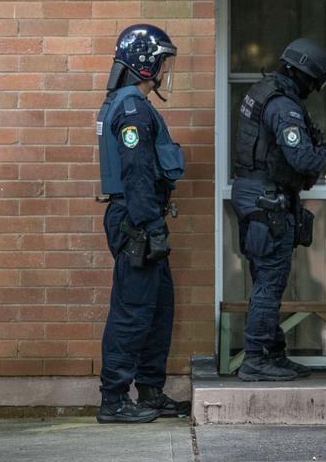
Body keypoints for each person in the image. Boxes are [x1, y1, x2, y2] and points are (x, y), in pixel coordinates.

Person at [231, 38, 326, 382]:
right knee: (270, 281)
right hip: (267, 200)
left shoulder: (263, 91)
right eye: (313, 82)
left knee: (265, 280)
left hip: (258, 196)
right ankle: (256, 359)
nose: (312, 89)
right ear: (304, 74)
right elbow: (302, 158)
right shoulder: (284, 106)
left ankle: (273, 353)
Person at [95, 24, 190, 423]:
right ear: (146, 64)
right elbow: (135, 174)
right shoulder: (132, 107)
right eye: (163, 61)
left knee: (158, 307)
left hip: (142, 217)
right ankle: (114, 400)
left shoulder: (129, 102)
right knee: (133, 311)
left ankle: (150, 390)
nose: (167, 70)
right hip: (137, 219)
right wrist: (150, 225)